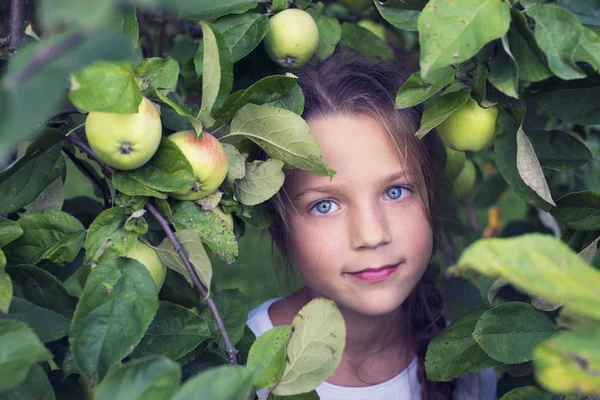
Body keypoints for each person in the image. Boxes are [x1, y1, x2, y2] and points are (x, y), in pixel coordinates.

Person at [246, 50, 497, 400]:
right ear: (280, 226)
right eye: (325, 205)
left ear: (431, 195)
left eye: (396, 191)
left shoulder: (467, 367)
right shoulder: (237, 371)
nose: (372, 234)